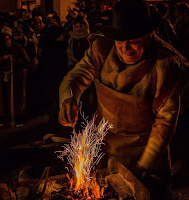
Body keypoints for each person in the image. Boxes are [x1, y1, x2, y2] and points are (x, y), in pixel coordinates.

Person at [58, 0, 189, 199]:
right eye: (120, 41)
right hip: (103, 150)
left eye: (134, 41)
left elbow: (165, 122)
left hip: (144, 154)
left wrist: (142, 165)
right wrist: (69, 99)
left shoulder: (165, 66)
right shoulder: (101, 49)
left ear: (149, 35)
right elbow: (75, 77)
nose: (125, 48)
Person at [0, 26, 30, 127]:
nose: (7, 42)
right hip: (2, 77)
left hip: (15, 76)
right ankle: (2, 116)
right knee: (2, 97)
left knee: (16, 97)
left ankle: (17, 117)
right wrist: (2, 59)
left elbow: (26, 61)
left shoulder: (17, 48)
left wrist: (16, 61)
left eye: (8, 40)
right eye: (5, 41)